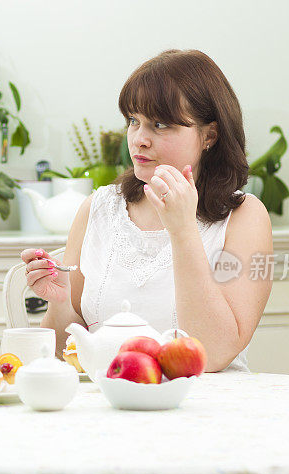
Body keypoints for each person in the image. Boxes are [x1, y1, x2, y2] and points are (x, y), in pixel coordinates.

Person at [21, 50, 273, 372]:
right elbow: (61, 356)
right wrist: (58, 304)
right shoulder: (98, 208)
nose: (139, 139)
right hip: (110, 405)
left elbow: (214, 353)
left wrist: (182, 230)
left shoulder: (244, 217)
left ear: (209, 135)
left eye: (159, 124)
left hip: (206, 408)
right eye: (133, 121)